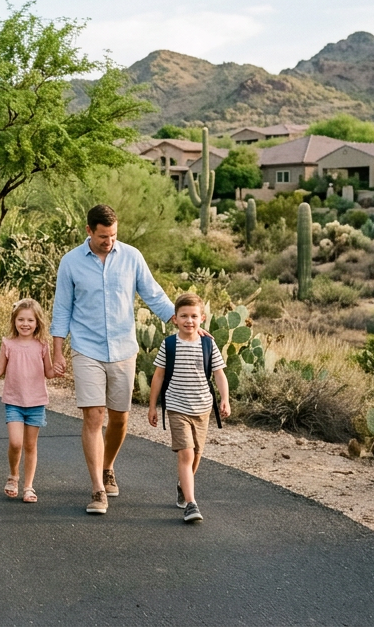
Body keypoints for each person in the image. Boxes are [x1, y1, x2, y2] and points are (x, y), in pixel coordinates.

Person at [50, 204, 177, 516]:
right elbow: (62, 309)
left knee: (119, 418)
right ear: (89, 231)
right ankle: (96, 488)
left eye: (113, 235)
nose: (109, 241)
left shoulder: (131, 256)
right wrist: (56, 351)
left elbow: (154, 295)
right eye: (103, 236)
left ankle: (108, 466)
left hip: (123, 349)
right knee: (93, 417)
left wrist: (184, 321)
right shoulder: (71, 263)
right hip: (86, 348)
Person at [147, 293, 231, 523]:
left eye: (194, 316)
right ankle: (191, 504)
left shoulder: (208, 343)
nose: (189, 321)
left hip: (203, 406)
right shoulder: (169, 344)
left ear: (202, 318)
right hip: (176, 405)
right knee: (186, 452)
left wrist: (225, 399)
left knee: (197, 454)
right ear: (175, 319)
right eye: (184, 316)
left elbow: (219, 374)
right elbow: (158, 376)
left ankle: (183, 486)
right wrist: (153, 406)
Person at [0, 298, 59, 503]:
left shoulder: (42, 345)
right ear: (14, 321)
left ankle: (28, 486)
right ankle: (13, 475)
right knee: (16, 443)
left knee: (30, 445)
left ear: (37, 322)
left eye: (30, 320)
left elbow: (49, 372)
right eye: (21, 319)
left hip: (36, 402)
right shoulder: (8, 344)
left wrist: (58, 371)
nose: (25, 324)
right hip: (14, 401)